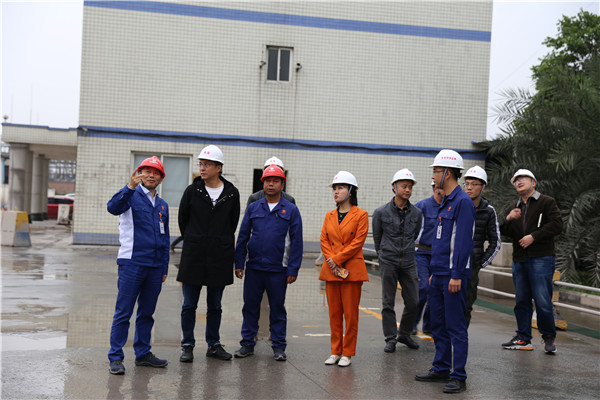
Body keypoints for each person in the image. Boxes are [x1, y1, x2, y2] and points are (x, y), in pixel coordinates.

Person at [415, 149, 475, 394]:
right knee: (437, 324)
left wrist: (456, 274)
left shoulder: (462, 202)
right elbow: (441, 242)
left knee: (455, 326)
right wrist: (434, 271)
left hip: (453, 275)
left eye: (436, 171)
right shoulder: (446, 202)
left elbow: (462, 243)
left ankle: (458, 375)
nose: (433, 175)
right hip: (439, 273)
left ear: (448, 173)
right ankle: (441, 368)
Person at [176, 145, 240, 362]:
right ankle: (187, 345)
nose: (202, 168)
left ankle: (213, 345)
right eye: (201, 164)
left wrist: (219, 242)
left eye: (207, 165)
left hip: (219, 257)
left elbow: (232, 223)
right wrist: (195, 240)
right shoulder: (192, 191)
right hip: (193, 255)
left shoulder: (231, 193)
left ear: (218, 168)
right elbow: (183, 220)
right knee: (189, 305)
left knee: (215, 306)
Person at [106, 156, 170, 375]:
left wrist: (164, 267)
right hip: (132, 263)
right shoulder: (130, 196)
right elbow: (112, 208)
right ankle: (116, 357)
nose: (151, 175)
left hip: (155, 267)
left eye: (156, 173)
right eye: (147, 171)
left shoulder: (162, 205)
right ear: (139, 174)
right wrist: (129, 187)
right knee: (123, 312)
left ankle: (143, 353)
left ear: (161, 178)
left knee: (147, 313)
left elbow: (165, 238)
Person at [234, 164, 303, 361]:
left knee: (277, 307)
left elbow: (297, 241)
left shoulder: (291, 210)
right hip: (254, 267)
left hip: (278, 269)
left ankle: (279, 346)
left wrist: (293, 269)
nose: (271, 184)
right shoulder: (254, 207)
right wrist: (239, 263)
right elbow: (243, 236)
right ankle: (247, 343)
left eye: (275, 181)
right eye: (267, 181)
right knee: (250, 306)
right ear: (262, 183)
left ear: (282, 184)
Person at [499, 169, 562, 354]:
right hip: (520, 259)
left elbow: (557, 224)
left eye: (523, 179)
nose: (518, 182)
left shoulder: (546, 202)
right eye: (516, 180)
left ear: (533, 182)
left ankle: (548, 337)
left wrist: (534, 236)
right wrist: (508, 219)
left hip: (541, 258)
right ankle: (523, 338)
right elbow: (502, 231)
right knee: (521, 300)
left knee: (542, 301)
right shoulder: (513, 207)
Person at [319, 171, 369, 368]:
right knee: (334, 313)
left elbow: (358, 242)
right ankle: (335, 351)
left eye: (340, 188)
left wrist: (336, 259)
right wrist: (331, 260)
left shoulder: (361, 215)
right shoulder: (329, 215)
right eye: (334, 188)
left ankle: (347, 353)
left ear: (351, 191)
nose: (336, 192)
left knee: (350, 314)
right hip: (332, 270)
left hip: (351, 269)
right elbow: (324, 239)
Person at [372, 169, 423, 353]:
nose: (407, 190)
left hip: (408, 261)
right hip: (388, 261)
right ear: (394, 187)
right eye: (404, 186)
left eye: (410, 187)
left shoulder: (416, 213)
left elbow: (414, 234)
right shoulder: (380, 212)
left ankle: (404, 334)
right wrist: (383, 254)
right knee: (388, 302)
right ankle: (390, 338)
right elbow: (377, 238)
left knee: (414, 301)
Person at [462, 166, 500, 326]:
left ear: (483, 187)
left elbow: (495, 241)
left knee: (467, 304)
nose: (469, 187)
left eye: (474, 184)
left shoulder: (488, 211)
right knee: (447, 302)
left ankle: (460, 336)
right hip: (452, 263)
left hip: (472, 266)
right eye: (467, 183)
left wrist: (481, 262)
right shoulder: (457, 206)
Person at [413, 182, 443, 335]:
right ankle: (412, 323)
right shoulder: (422, 206)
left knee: (435, 290)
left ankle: (429, 325)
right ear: (435, 188)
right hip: (421, 253)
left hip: (439, 255)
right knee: (423, 287)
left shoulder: (449, 207)